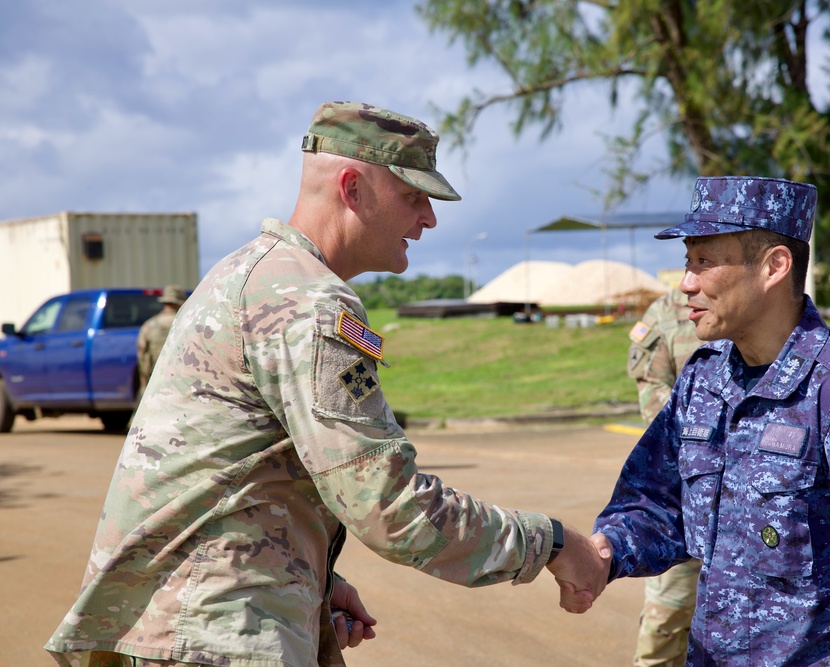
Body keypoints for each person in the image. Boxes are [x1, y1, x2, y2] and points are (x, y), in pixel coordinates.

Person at [45, 101, 606, 667]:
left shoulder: (251, 274)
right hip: (216, 631)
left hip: (190, 619)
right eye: (414, 196)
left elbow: (231, 472)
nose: (429, 219)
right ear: (352, 188)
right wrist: (552, 544)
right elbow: (393, 510)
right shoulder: (307, 302)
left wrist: (305, 571)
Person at [576, 176, 830, 665]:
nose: (686, 282)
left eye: (704, 260)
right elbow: (660, 503)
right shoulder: (705, 380)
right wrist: (606, 552)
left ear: (774, 267)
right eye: (687, 261)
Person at [626, 290, 701, 667]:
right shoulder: (666, 313)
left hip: (761, 504)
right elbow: (652, 397)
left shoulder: (765, 301)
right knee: (665, 625)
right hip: (684, 500)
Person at [136, 284, 187, 399]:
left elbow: (142, 356)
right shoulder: (186, 323)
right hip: (181, 385)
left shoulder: (149, 325)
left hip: (155, 383)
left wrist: (145, 385)